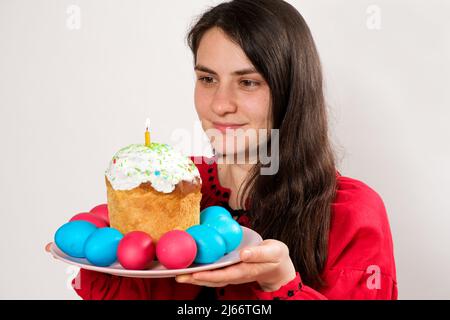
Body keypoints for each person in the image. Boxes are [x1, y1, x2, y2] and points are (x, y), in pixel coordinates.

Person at [46, 0, 397, 300]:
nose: (220, 104)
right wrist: (104, 255)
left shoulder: (352, 213)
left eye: (247, 82)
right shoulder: (176, 192)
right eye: (207, 79)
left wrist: (281, 283)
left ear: (291, 91)